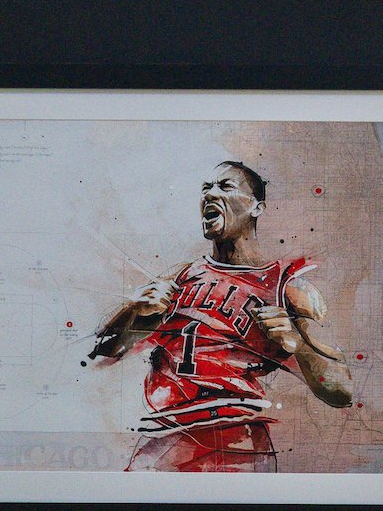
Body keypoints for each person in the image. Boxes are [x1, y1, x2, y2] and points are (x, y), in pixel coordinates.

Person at [87, 158, 352, 472]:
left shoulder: (287, 287)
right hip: (165, 440)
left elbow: (341, 392)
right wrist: (131, 312)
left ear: (257, 207)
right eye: (205, 188)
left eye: (225, 186)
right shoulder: (181, 278)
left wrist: (298, 344)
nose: (210, 194)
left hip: (238, 443)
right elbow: (101, 352)